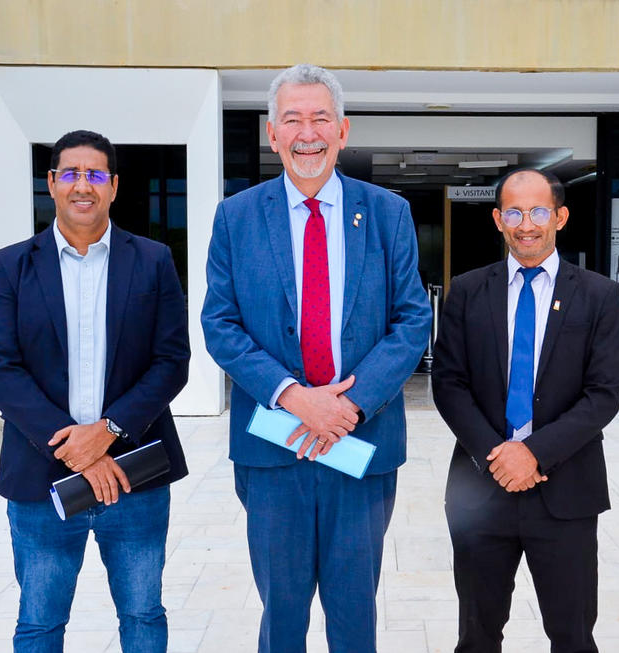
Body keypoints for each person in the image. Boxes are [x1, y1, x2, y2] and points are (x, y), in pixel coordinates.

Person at [200, 64, 431, 653]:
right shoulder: (236, 216)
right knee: (282, 615)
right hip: (273, 449)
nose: (308, 133)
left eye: (320, 118)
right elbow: (219, 325)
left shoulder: (386, 213)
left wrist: (347, 404)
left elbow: (412, 320)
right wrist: (295, 397)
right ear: (272, 134)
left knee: (355, 615)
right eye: (293, 120)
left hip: (362, 442)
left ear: (343, 130)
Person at [0, 129, 190, 653]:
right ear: (50, 184)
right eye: (70, 173)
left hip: (134, 476)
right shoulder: (11, 266)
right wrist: (76, 447)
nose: (83, 186)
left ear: (114, 187)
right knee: (39, 623)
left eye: (95, 175)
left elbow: (172, 361)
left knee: (144, 616)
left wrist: (108, 431)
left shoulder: (152, 260)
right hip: (41, 480)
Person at [431, 168, 619, 653]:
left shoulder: (599, 295)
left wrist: (533, 454)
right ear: (498, 219)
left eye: (538, 211)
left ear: (560, 216)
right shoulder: (468, 291)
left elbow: (603, 394)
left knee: (573, 636)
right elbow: (448, 383)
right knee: (477, 636)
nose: (526, 224)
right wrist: (498, 454)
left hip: (566, 496)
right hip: (482, 490)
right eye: (514, 212)